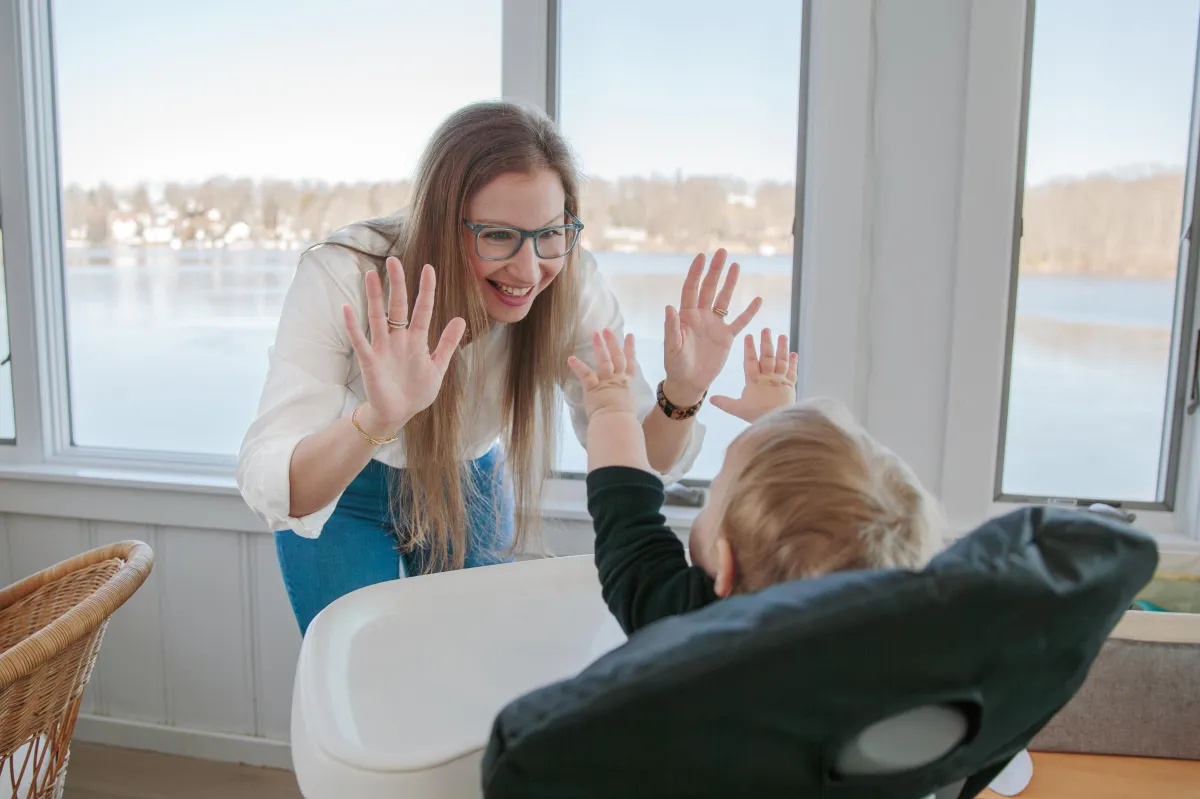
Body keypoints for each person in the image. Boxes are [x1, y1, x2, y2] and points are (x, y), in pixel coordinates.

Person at [237, 101, 762, 633]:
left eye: (550, 233)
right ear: (443, 224)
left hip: (469, 479)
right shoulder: (344, 273)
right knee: (360, 672)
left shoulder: (573, 287)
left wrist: (683, 390)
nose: (530, 269)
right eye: (497, 235)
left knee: (474, 660)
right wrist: (377, 417)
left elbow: (640, 460)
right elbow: (278, 486)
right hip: (345, 488)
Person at [570, 326, 944, 634]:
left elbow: (628, 522)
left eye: (714, 497)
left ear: (727, 566)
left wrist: (610, 408)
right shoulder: (881, 641)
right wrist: (776, 423)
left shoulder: (686, 619)